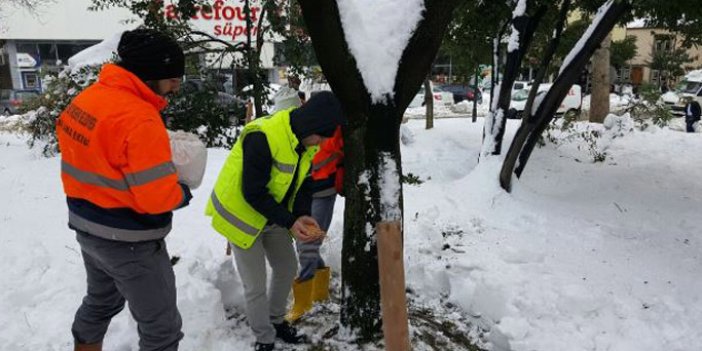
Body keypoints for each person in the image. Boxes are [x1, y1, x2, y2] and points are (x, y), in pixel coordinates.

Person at [57, 29, 192, 351]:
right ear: (149, 74)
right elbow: (156, 199)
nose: (176, 84)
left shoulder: (88, 98)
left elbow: (90, 155)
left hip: (88, 229)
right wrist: (182, 192)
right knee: (162, 330)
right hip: (130, 241)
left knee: (100, 302)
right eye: (172, 77)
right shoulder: (140, 120)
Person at [205, 91, 344, 351]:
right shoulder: (262, 135)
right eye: (323, 135)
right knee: (255, 283)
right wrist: (290, 222)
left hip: (272, 214)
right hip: (242, 217)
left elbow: (305, 182)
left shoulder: (306, 142)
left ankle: (276, 320)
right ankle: (264, 337)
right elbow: (253, 192)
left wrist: (301, 213)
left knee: (286, 266)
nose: (324, 142)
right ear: (313, 126)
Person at [286, 125, 343, 322]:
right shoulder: (294, 127)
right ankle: (319, 291)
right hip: (299, 194)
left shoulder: (334, 127)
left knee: (308, 244)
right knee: (305, 244)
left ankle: (302, 303)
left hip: (323, 192)